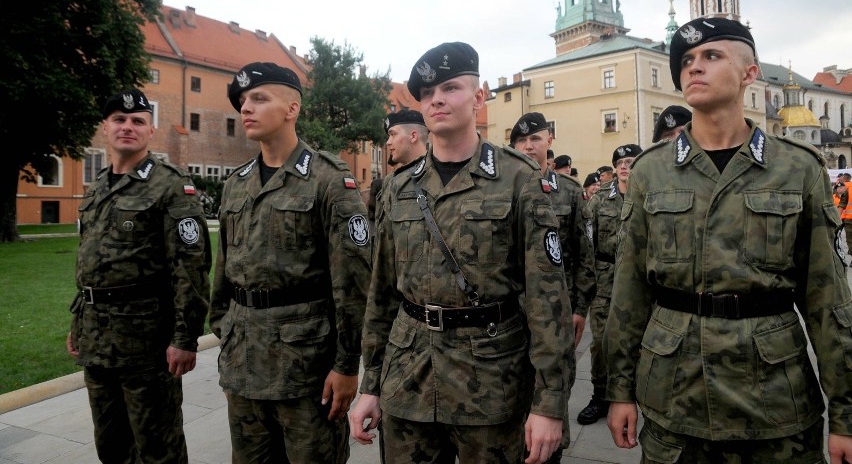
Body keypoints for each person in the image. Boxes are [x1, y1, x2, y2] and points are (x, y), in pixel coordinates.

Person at [605, 17, 852, 463]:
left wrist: (847, 414)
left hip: (774, 399)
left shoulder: (797, 168)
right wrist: (618, 390)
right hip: (675, 392)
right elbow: (629, 292)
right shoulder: (651, 171)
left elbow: (828, 299)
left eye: (711, 56)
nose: (693, 68)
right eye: (686, 60)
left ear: (749, 73)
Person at [350, 42, 574, 464]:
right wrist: (370, 385)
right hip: (408, 376)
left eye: (450, 88)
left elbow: (548, 301)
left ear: (477, 98)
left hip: (489, 381)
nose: (437, 99)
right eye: (428, 92)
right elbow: (381, 297)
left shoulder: (518, 180)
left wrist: (549, 404)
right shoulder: (399, 189)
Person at [209, 62, 371, 463]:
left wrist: (347, 364)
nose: (246, 108)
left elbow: (352, 281)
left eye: (260, 98)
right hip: (243, 363)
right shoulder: (236, 182)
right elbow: (223, 270)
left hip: (306, 369)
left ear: (292, 108)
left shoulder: (328, 178)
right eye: (243, 101)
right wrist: (224, 327)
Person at [67, 88, 211, 464]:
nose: (127, 127)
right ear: (105, 128)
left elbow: (190, 267)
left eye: (137, 121)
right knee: (111, 446)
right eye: (119, 119)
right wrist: (78, 320)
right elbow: (90, 262)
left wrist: (185, 337)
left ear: (151, 130)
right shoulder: (97, 187)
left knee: (157, 448)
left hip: (147, 343)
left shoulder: (170, 185)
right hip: (97, 339)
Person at [511, 112, 591, 463]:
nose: (529, 146)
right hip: (512, 314)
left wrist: (579, 309)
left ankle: (550, 449)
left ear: (549, 141)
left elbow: (584, 256)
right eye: (521, 141)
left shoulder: (570, 194)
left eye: (536, 139)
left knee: (553, 387)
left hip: (557, 312)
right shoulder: (504, 187)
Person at [577, 142, 642, 426]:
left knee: (643, 340)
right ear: (614, 168)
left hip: (641, 280)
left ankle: (639, 394)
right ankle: (600, 396)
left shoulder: (648, 194)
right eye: (620, 162)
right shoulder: (600, 198)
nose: (625, 166)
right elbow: (584, 240)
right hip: (605, 278)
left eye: (630, 161)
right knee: (601, 342)